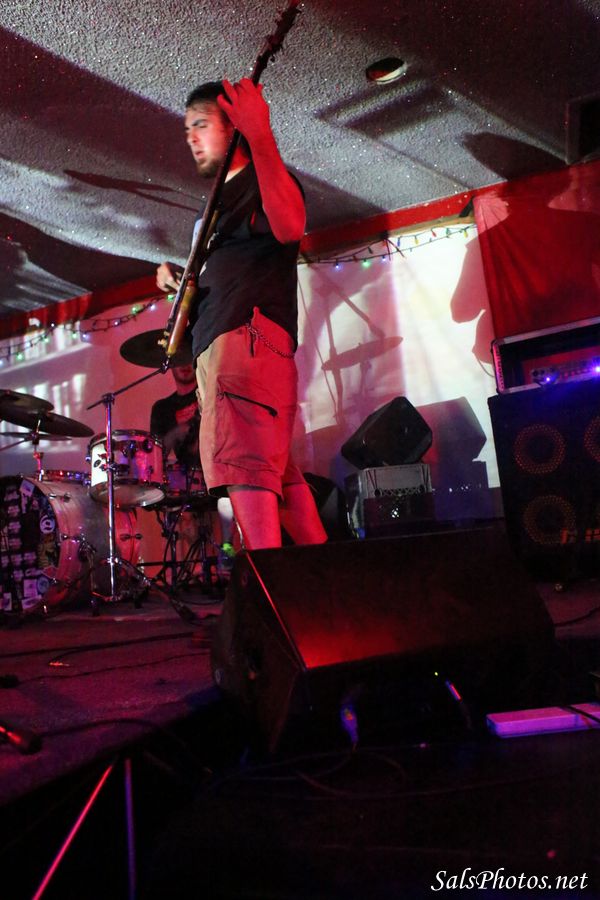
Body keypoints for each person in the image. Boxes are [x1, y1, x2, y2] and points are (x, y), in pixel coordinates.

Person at [156, 78, 327, 550]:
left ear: (233, 128)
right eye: (187, 129)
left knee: (248, 475)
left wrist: (261, 134)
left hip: (243, 345)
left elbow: (290, 225)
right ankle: (329, 583)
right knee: (279, 478)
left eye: (200, 125)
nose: (190, 137)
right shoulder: (217, 206)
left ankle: (268, 589)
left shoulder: (257, 180)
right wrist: (183, 281)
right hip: (236, 348)